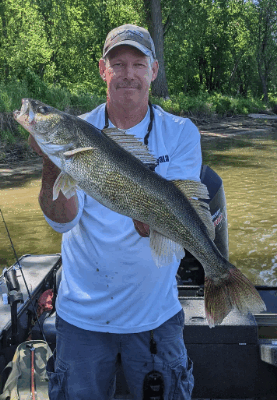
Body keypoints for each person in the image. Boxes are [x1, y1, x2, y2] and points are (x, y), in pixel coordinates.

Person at [29, 24, 201, 400]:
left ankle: (222, 274)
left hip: (156, 316)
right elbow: (64, 220)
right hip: (83, 318)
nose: (128, 74)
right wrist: (51, 163)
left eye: (138, 64)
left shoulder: (181, 132)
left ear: (154, 71)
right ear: (102, 70)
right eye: (118, 63)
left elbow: (168, 218)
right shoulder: (80, 132)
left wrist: (149, 215)